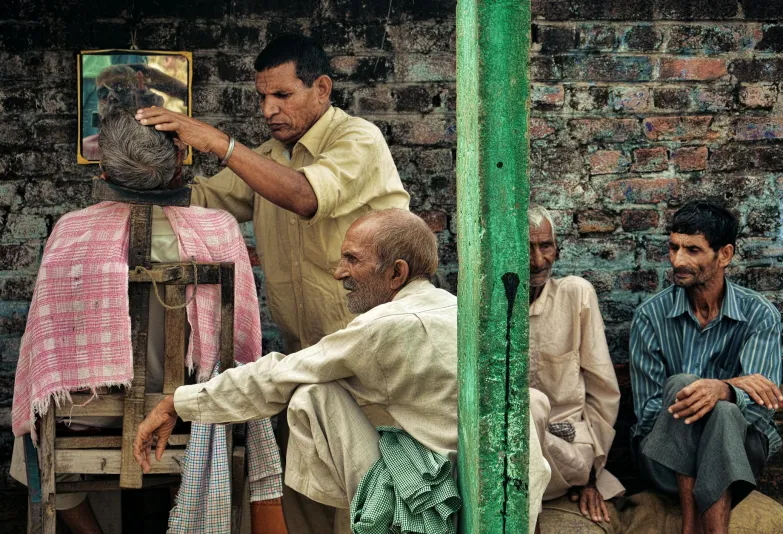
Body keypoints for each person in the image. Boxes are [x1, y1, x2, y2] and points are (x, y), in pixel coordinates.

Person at [12, 109, 276, 533]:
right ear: (178, 162)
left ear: (104, 169)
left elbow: (44, 353)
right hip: (190, 409)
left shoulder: (71, 232)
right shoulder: (220, 230)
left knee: (31, 431)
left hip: (87, 412)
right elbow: (243, 345)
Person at [134, 209, 460, 534]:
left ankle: (374, 521)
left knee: (308, 392)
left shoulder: (385, 327)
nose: (338, 272)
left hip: (431, 499)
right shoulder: (450, 304)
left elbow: (280, 375)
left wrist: (175, 404)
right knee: (320, 386)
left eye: (352, 259)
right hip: (449, 479)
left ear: (396, 273)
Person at [135, 34, 410, 353]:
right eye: (263, 96)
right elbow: (196, 202)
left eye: (282, 94)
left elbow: (305, 196)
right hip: (306, 356)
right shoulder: (267, 159)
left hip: (377, 347)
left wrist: (218, 143)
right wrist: (168, 166)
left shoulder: (360, 139)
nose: (268, 109)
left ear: (321, 89)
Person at [630, 200, 783, 534]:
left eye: (693, 250)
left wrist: (723, 391)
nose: (678, 260)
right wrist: (723, 389)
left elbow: (762, 412)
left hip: (738, 461)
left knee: (727, 413)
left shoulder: (759, 315)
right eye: (674, 248)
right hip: (663, 463)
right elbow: (646, 414)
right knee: (686, 384)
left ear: (724, 255)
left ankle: (692, 528)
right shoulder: (650, 316)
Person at [526, 205, 624, 527]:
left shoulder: (576, 294)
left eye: (546, 246)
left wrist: (593, 477)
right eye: (526, 247)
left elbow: (603, 392)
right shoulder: (488, 306)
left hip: (567, 450)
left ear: (558, 248)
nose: (538, 261)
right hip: (518, 449)